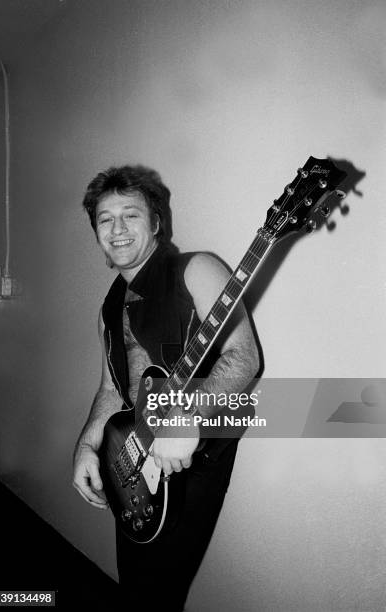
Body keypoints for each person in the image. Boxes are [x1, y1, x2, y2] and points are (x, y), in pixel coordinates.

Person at [73, 165, 260, 611]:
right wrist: (86, 444)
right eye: (104, 218)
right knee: (135, 581)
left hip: (192, 457)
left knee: (160, 590)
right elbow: (111, 390)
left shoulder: (195, 269)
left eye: (130, 214)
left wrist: (186, 419)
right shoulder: (108, 307)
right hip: (131, 457)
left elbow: (243, 357)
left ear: (156, 221)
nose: (117, 229)